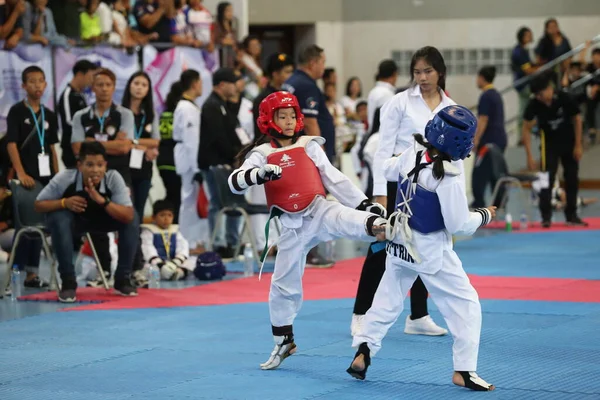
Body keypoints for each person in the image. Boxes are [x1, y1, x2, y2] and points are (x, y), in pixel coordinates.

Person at [228, 91, 388, 370]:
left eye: (292, 116)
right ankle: (283, 341)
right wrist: (259, 173)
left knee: (345, 217)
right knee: (281, 284)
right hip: (290, 226)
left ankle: (382, 226)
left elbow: (333, 176)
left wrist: (365, 204)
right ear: (269, 119)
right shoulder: (261, 153)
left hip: (318, 210)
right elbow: (234, 182)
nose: (289, 122)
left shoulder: (308, 144)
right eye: (282, 116)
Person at [347, 105, 497, 392]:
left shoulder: (413, 150)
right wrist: (485, 214)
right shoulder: (447, 175)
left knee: (385, 301)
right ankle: (464, 370)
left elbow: (389, 169)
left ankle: (363, 351)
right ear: (459, 143)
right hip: (430, 252)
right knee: (467, 306)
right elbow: (459, 225)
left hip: (399, 242)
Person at [351, 46, 453, 338]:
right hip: (398, 184)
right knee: (382, 248)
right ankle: (361, 312)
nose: (422, 77)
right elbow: (382, 151)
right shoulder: (398, 103)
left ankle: (418, 315)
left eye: (428, 71)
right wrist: (381, 195)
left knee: (426, 246)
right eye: (417, 72)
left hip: (432, 185)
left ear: (440, 72)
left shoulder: (450, 107)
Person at [34, 141, 139, 302]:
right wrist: (64, 203)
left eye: (100, 165)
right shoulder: (65, 178)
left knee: (133, 220)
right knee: (59, 217)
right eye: (89, 165)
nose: (95, 170)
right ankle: (68, 283)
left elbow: (129, 215)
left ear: (105, 165)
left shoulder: (113, 178)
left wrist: (103, 201)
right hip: (73, 224)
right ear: (79, 165)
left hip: (100, 221)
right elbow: (38, 204)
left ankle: (122, 279)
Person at [6, 65, 60, 288]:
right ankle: (16, 273)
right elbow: (11, 144)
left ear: (46, 84)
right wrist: (21, 172)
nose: (37, 85)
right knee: (25, 225)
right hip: (27, 178)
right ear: (23, 85)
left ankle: (32, 274)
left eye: (41, 81)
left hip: (46, 178)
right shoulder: (17, 111)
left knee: (41, 224)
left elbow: (52, 148)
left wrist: (57, 177)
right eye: (32, 81)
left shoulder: (50, 115)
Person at [523, 72, 587, 227]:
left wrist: (578, 145)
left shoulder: (564, 97)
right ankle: (546, 217)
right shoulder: (534, 104)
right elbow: (526, 128)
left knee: (572, 178)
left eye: (544, 91)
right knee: (546, 181)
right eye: (538, 94)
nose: (542, 96)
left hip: (569, 143)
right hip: (549, 145)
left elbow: (577, 119)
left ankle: (571, 216)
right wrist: (529, 156)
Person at [141, 200, 191, 281]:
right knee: (149, 268)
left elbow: (183, 247)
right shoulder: (148, 231)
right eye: (162, 215)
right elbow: (148, 249)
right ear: (153, 217)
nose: (166, 219)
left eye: (169, 215)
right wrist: (161, 265)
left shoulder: (175, 231)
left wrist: (175, 263)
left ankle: (178, 273)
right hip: (157, 264)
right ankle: (167, 274)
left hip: (173, 263)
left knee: (191, 262)